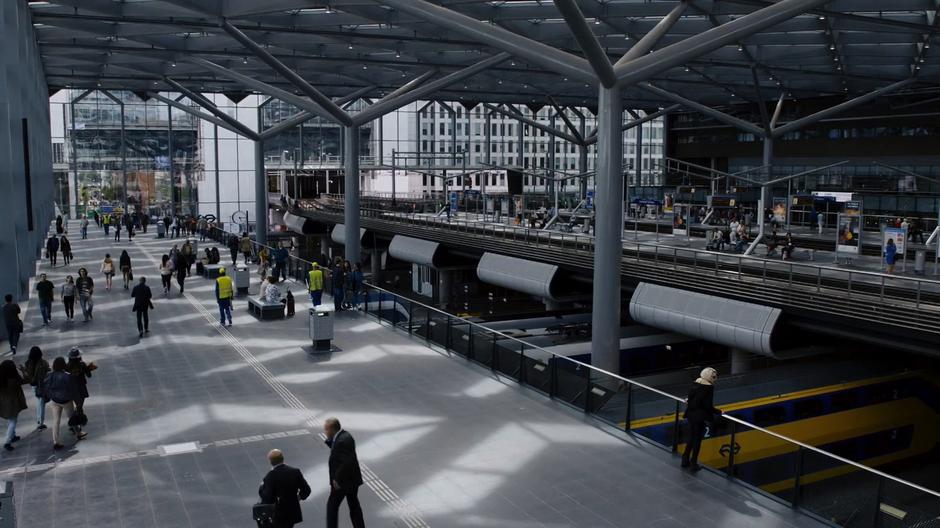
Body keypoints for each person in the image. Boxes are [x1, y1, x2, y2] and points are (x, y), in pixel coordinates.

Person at [324, 417, 365, 528]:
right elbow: (340, 453)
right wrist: (330, 442)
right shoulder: (343, 436)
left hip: (343, 482)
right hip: (351, 480)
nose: (325, 432)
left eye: (326, 429)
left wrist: (336, 479)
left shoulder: (342, 440)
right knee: (354, 506)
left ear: (332, 429)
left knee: (332, 507)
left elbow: (346, 462)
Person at [681, 367, 722, 471]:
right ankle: (693, 463)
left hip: (690, 414)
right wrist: (719, 411)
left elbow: (691, 398)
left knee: (691, 438)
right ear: (710, 377)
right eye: (714, 377)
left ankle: (685, 460)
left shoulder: (696, 383)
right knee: (697, 441)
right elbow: (707, 405)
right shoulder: (708, 388)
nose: (715, 378)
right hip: (699, 417)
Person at [258, 449, 311, 528]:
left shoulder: (271, 476)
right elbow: (307, 490)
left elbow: (267, 497)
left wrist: (262, 487)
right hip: (292, 512)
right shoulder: (295, 472)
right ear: (282, 458)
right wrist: (298, 497)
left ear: (271, 461)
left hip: (278, 513)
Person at [42, 356, 76, 449]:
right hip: (66, 401)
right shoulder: (67, 376)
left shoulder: (50, 375)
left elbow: (46, 387)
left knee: (56, 421)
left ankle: (56, 441)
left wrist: (50, 395)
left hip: (54, 400)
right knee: (72, 418)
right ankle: (78, 433)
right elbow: (71, 389)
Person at [66, 347, 95, 440]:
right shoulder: (82, 365)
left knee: (77, 406)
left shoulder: (67, 366)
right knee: (79, 406)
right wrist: (89, 368)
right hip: (81, 387)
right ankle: (76, 426)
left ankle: (75, 423)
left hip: (71, 388)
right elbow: (89, 376)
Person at [0, 360, 27, 451]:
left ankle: (13, 435)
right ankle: (7, 442)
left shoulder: (1, 378)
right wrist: (23, 370)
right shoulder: (14, 379)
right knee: (13, 421)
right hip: (13, 403)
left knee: (11, 419)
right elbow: (27, 380)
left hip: (3, 403)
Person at [21, 346, 49, 430]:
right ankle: (41, 422)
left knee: (39, 402)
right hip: (41, 386)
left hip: (34, 385)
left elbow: (27, 376)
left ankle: (39, 420)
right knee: (41, 404)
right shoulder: (43, 363)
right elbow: (47, 372)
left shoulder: (28, 363)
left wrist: (23, 370)